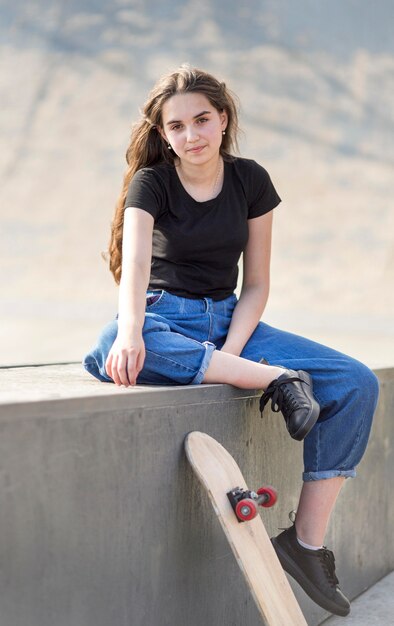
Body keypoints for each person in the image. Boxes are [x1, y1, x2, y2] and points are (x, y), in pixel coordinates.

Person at [83, 65, 379, 617]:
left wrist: (234, 351)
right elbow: (137, 271)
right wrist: (128, 332)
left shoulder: (251, 181)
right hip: (161, 317)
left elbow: (258, 283)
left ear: (223, 119)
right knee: (109, 342)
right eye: (176, 126)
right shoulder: (154, 182)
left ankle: (305, 545)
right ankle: (280, 382)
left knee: (356, 382)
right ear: (163, 133)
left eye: (201, 120)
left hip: (230, 322)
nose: (191, 135)